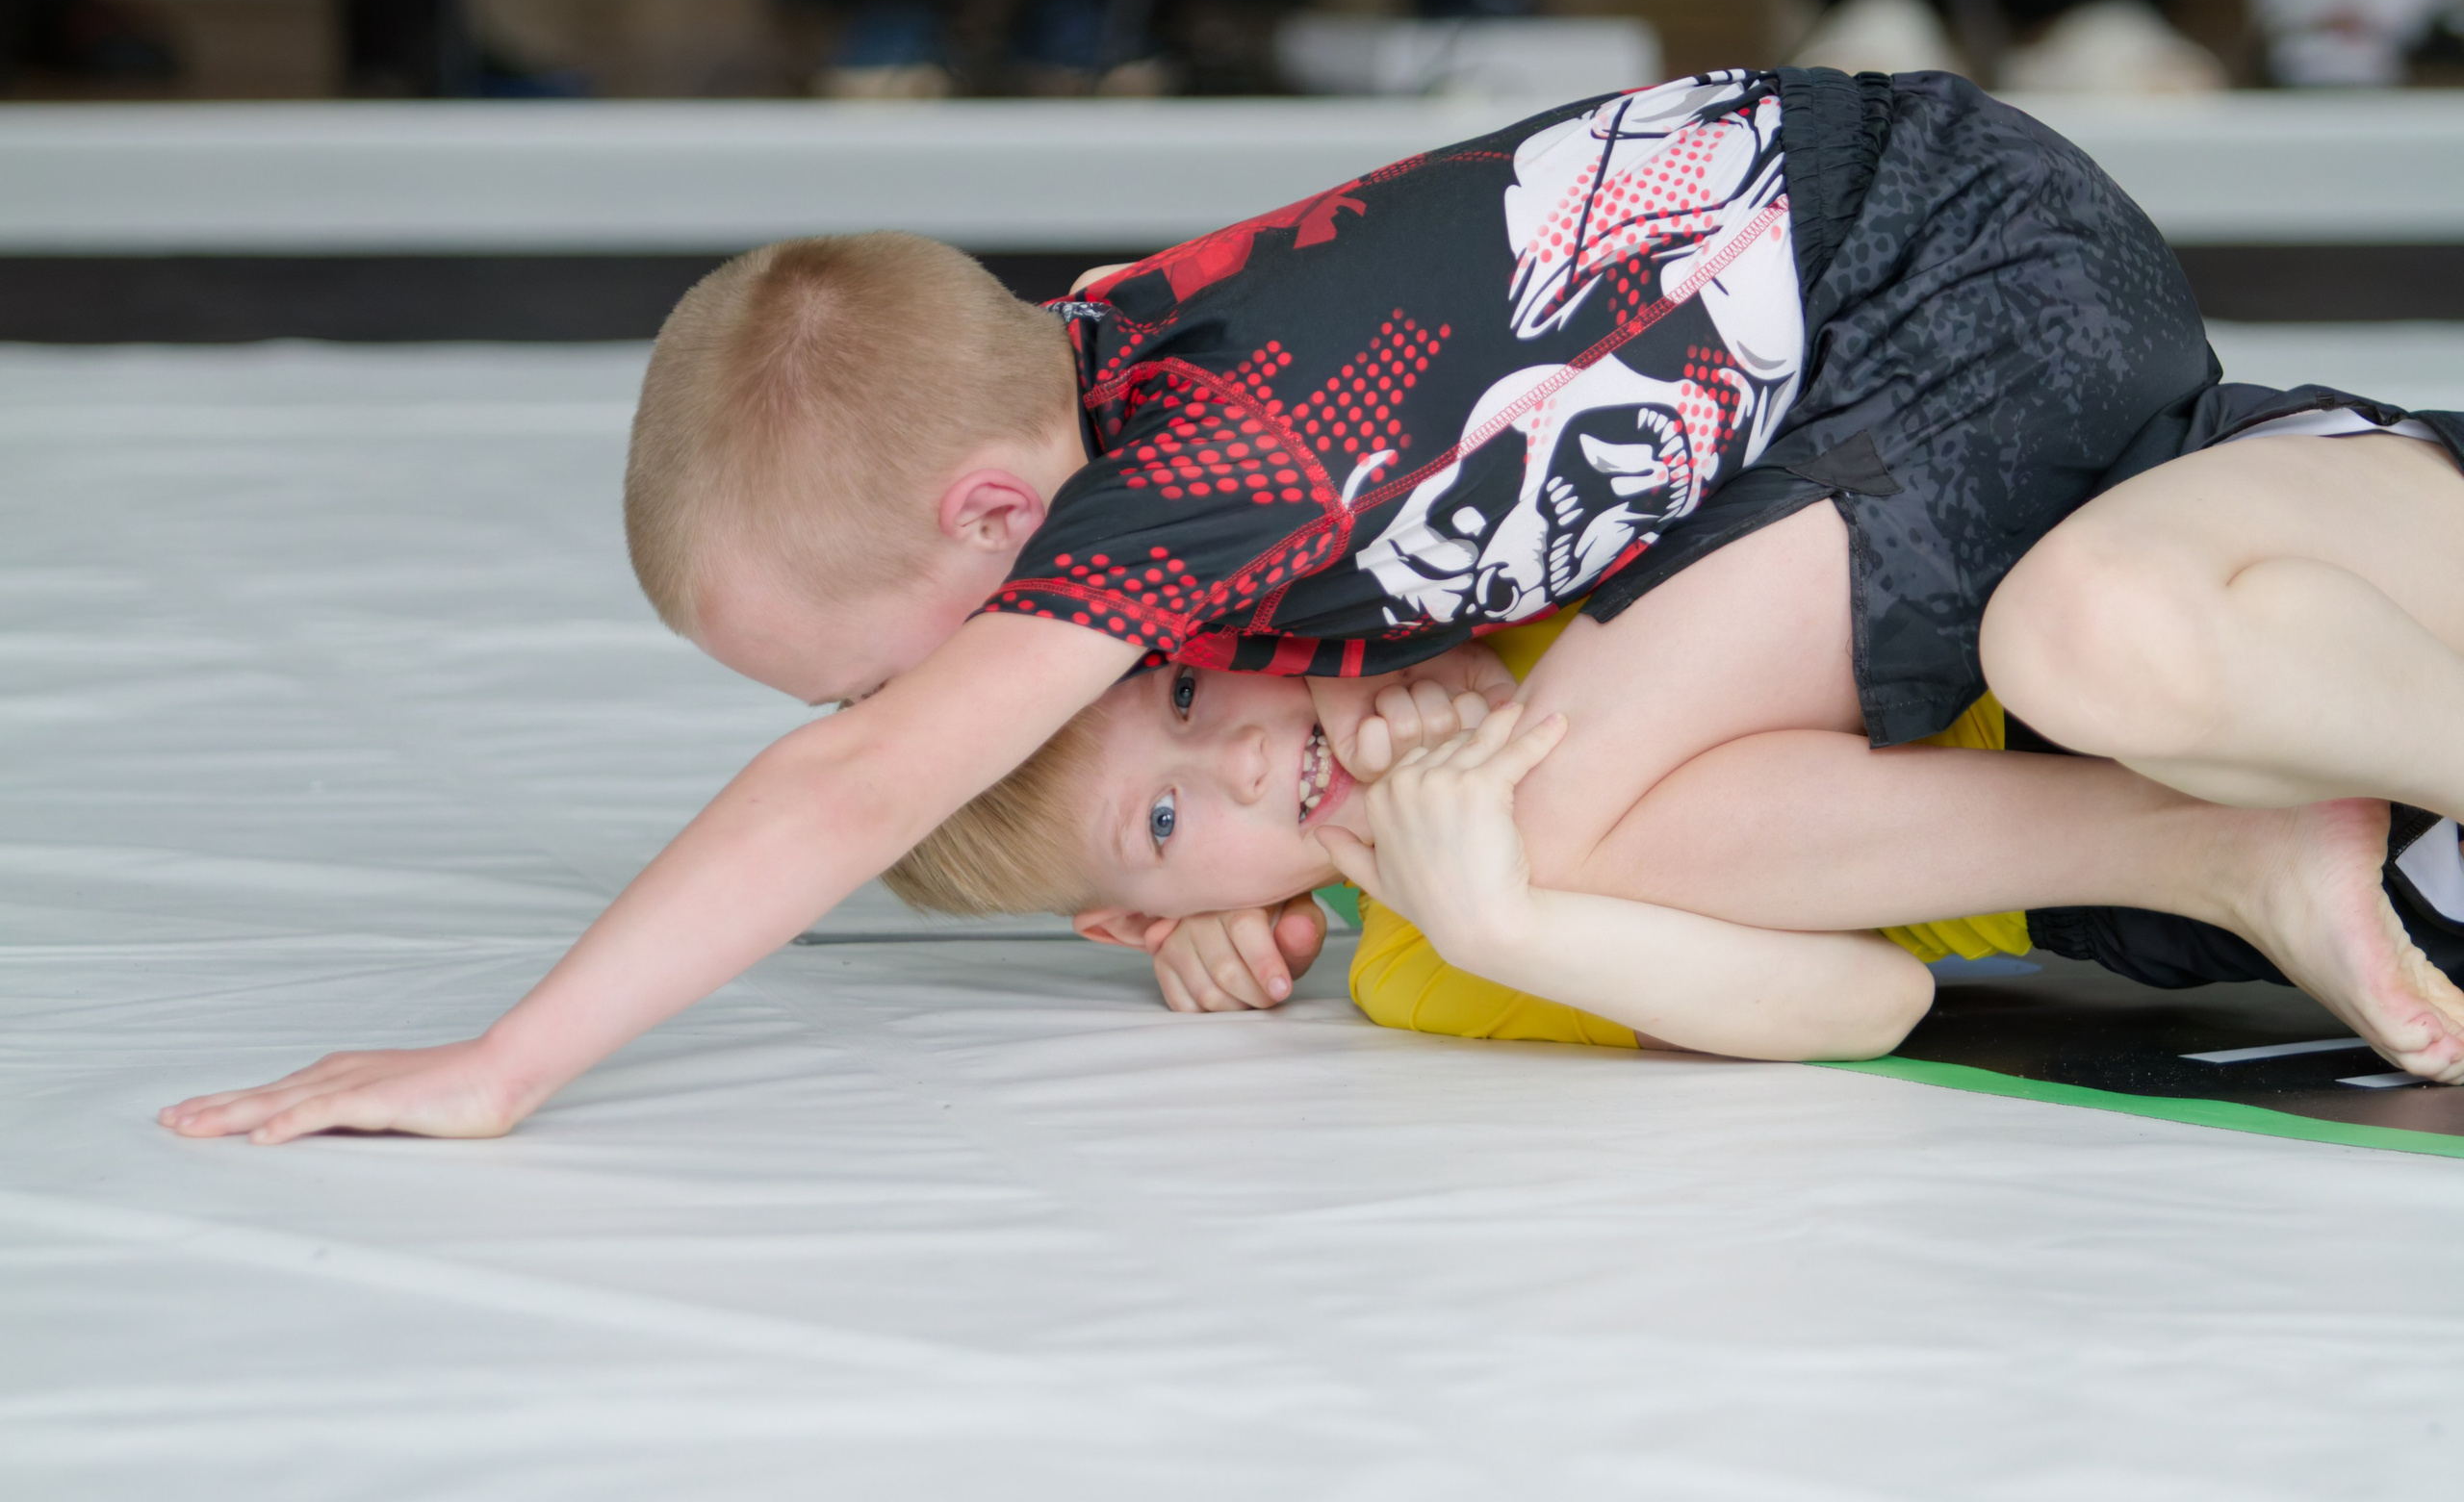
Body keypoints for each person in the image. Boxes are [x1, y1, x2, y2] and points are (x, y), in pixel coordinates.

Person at [159, 68, 2464, 1145]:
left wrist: (507, 1059)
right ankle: (2216, 843)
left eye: (889, 666)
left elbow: (850, 793)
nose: (923, 709)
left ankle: (2220, 848)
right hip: (1912, 297)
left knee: (1549, 812)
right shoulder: (1133, 386)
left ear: (995, 513)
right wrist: (1204, 886)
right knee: (1541, 817)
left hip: (1946, 289)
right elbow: (1291, 706)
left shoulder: (1193, 467)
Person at [882, 609, 2464, 1055]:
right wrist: (1504, 922)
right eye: (1165, 818)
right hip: (2165, 887)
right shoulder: (1425, 964)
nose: (1236, 755)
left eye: (1179, 693)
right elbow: (1875, 1001)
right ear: (1140, 920)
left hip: (2127, 621)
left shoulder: (1481, 579)